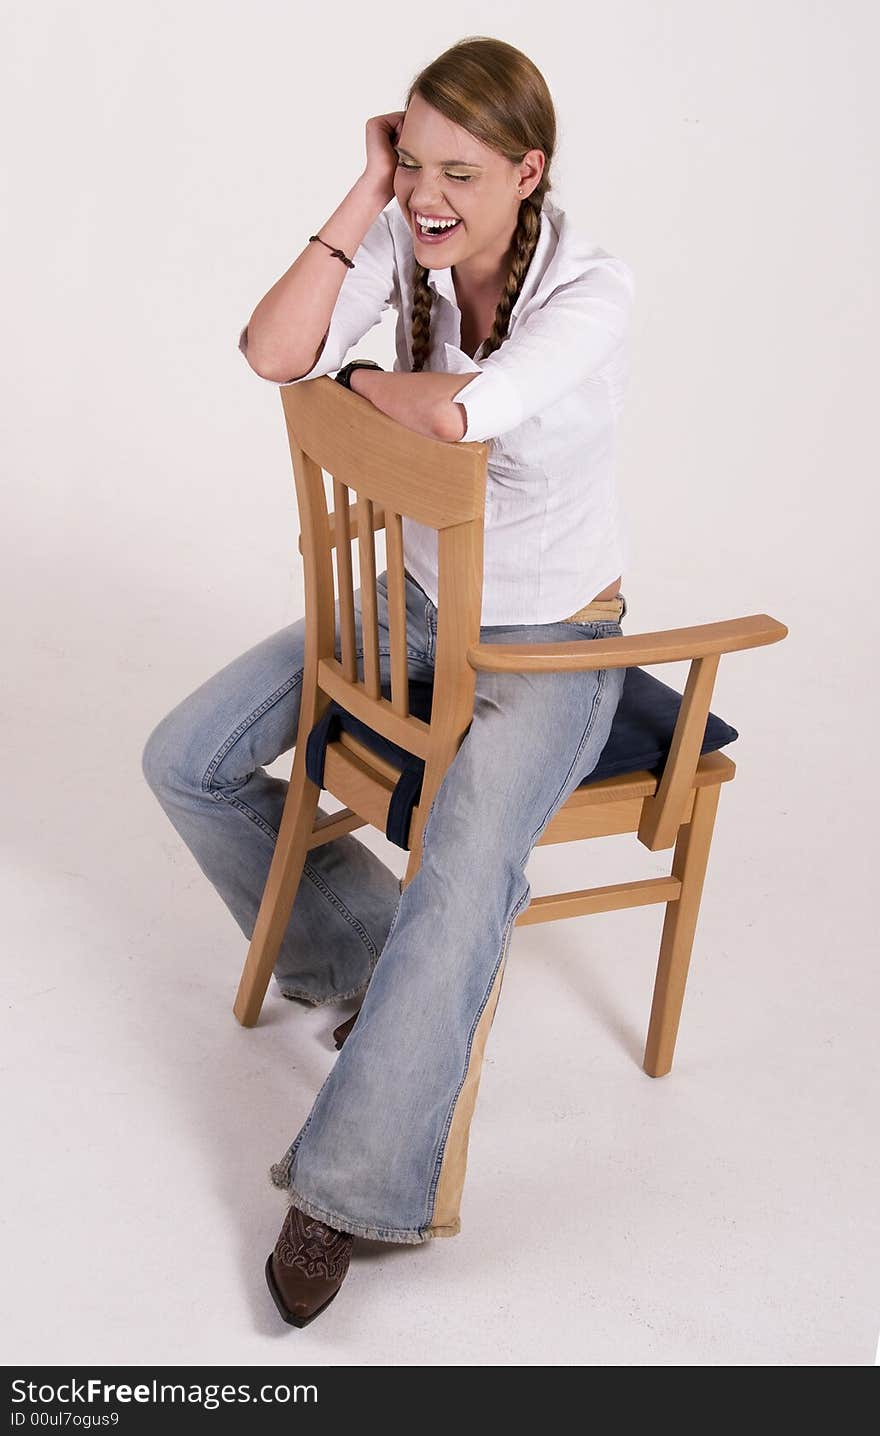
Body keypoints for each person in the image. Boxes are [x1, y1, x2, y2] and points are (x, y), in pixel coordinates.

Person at [141, 35, 635, 1328]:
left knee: (467, 868)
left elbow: (462, 419)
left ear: (530, 174)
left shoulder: (591, 293)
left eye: (459, 173)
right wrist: (366, 191)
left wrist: (352, 383)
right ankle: (366, 956)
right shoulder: (403, 242)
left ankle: (347, 1191)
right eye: (413, 159)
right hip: (410, 610)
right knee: (187, 757)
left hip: (550, 646)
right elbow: (267, 348)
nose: (431, 194)